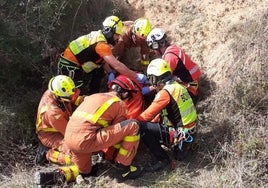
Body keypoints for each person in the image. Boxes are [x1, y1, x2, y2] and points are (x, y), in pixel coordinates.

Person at [34, 85, 143, 186]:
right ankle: (124, 167)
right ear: (124, 95)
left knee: (86, 171)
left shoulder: (93, 97)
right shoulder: (120, 104)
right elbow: (117, 135)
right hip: (70, 137)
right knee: (133, 125)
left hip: (71, 136)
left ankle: (55, 176)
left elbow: (79, 100)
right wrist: (109, 155)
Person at [57, 15, 148, 95]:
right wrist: (135, 76)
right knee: (76, 94)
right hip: (70, 66)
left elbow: (103, 61)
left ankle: (93, 95)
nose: (118, 38)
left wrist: (110, 72)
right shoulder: (101, 45)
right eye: (117, 35)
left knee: (98, 72)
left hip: (74, 63)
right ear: (109, 32)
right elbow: (117, 65)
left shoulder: (98, 37)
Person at [136, 58, 198, 172]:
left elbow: (146, 116)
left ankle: (162, 160)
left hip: (181, 137)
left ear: (155, 78)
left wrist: (131, 123)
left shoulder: (165, 93)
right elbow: (166, 112)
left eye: (151, 79)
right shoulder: (178, 86)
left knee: (142, 127)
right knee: (152, 124)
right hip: (190, 133)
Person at [34, 75, 84, 166]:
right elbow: (70, 133)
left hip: (60, 124)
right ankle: (48, 154)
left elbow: (73, 97)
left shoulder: (55, 92)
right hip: (50, 135)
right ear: (60, 96)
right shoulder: (53, 114)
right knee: (75, 156)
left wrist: (87, 100)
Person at [146, 28, 201, 100]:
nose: (153, 51)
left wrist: (149, 89)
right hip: (192, 83)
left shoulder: (169, 57)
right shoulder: (172, 49)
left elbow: (163, 81)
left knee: (161, 95)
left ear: (156, 45)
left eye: (152, 48)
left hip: (190, 89)